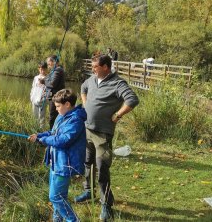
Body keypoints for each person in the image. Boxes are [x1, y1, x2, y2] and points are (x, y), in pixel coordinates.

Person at [75, 54, 139, 221]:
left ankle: (106, 203)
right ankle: (88, 191)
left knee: (102, 166)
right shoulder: (92, 79)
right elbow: (83, 88)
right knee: (87, 162)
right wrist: (85, 102)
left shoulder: (117, 83)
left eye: (95, 67)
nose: (92, 70)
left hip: (102, 133)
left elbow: (132, 99)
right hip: (86, 129)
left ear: (105, 67)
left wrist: (118, 115)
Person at [28, 89, 87, 222]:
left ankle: (73, 220)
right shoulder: (62, 116)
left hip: (64, 164)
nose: (56, 109)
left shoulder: (76, 120)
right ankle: (57, 220)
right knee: (61, 196)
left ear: (67, 104)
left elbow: (63, 140)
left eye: (58, 106)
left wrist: (44, 140)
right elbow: (54, 133)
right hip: (56, 162)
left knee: (55, 197)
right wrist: (39, 136)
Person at [40, 55, 65, 129]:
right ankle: (53, 132)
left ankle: (52, 133)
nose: (48, 65)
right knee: (53, 116)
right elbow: (49, 80)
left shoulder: (58, 70)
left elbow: (52, 84)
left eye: (48, 63)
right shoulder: (54, 71)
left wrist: (44, 81)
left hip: (56, 97)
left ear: (53, 62)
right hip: (53, 97)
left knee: (53, 117)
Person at [30, 61, 48, 128]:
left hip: (43, 100)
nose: (42, 71)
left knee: (42, 117)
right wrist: (31, 97)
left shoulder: (48, 78)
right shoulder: (36, 78)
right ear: (38, 69)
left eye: (43, 69)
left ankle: (41, 131)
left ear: (46, 69)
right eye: (41, 69)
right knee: (35, 116)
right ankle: (34, 129)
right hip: (34, 99)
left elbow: (49, 90)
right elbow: (33, 88)